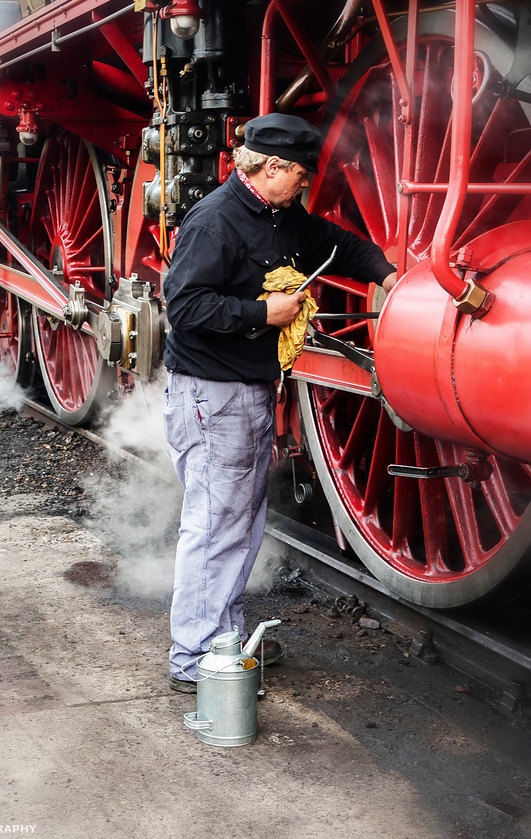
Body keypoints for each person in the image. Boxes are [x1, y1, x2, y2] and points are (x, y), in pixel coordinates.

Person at [162, 113, 396, 693]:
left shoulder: (280, 214)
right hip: (212, 395)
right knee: (216, 526)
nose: (304, 185)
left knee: (239, 523)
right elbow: (183, 307)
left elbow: (332, 243)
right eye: (299, 174)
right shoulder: (214, 221)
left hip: (246, 391)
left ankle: (222, 640)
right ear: (269, 168)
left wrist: (386, 273)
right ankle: (194, 658)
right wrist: (260, 315)